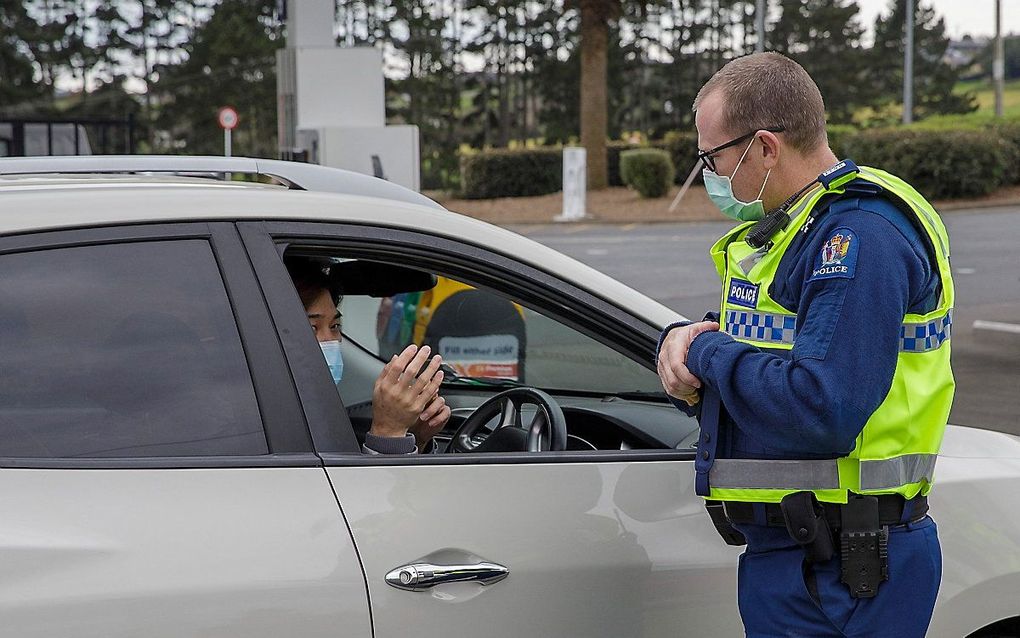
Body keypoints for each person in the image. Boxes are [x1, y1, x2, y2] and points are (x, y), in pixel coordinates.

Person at [656, 52, 953, 637]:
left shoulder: (857, 237)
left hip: (849, 568)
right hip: (800, 556)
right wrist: (683, 343)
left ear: (766, 147)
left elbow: (823, 406)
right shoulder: (797, 230)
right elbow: (767, 345)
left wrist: (707, 355)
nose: (709, 175)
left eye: (713, 157)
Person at [288, 258, 451, 455]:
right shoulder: (260, 419)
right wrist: (387, 431)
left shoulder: (317, 409)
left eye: (335, 326)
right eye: (312, 327)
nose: (329, 340)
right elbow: (353, 485)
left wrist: (416, 437)